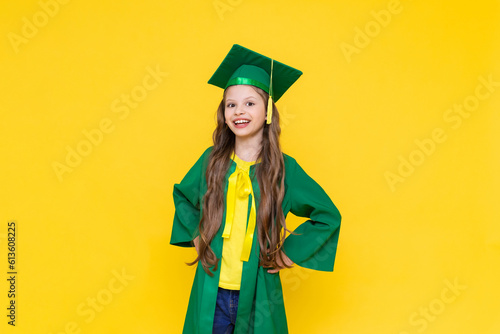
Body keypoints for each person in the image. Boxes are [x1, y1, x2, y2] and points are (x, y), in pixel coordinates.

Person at [170, 44, 341, 334]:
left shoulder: (284, 169)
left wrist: (288, 254)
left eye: (250, 103)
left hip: (259, 291)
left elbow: (328, 216)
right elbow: (183, 197)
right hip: (213, 291)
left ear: (268, 112)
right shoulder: (211, 162)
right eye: (231, 104)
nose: (239, 111)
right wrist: (197, 236)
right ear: (224, 114)